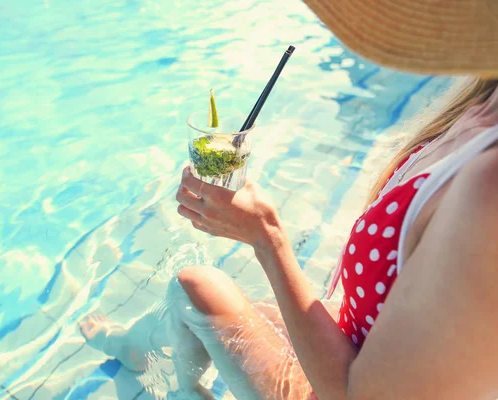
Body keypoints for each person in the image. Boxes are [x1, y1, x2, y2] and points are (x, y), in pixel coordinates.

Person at [81, 1, 498, 399]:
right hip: (358, 338)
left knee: (194, 289)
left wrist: (268, 238)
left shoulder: (488, 186)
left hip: (347, 377)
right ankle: (136, 350)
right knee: (209, 307)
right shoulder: (479, 107)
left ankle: (184, 390)